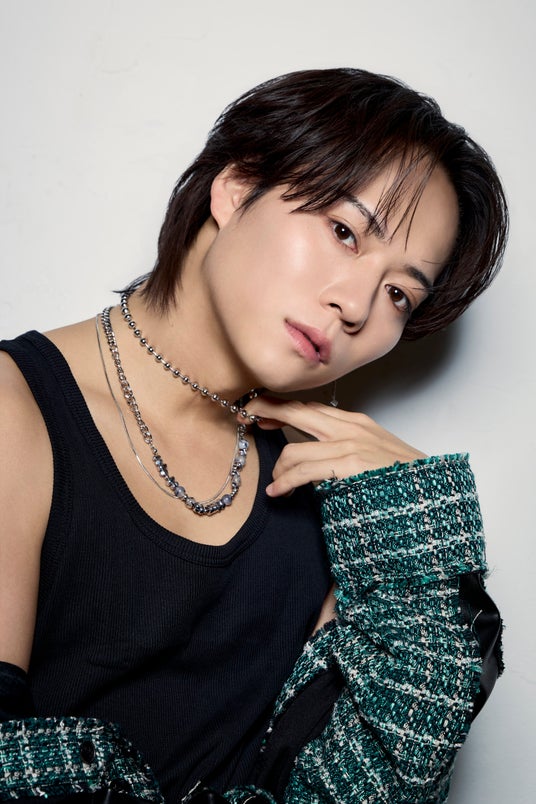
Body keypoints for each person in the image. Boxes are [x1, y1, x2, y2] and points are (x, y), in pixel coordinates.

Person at [0, 68, 506, 803]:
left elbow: (369, 788)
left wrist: (415, 539)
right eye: (344, 232)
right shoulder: (17, 412)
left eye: (399, 293)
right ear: (236, 190)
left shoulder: (336, 502)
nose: (356, 305)